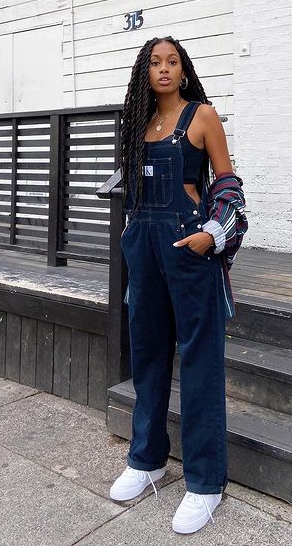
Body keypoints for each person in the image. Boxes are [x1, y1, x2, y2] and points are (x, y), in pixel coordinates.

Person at [109, 36, 247, 535]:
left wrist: (212, 234)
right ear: (144, 73)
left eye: (172, 62)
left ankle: (206, 483)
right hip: (144, 249)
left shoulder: (202, 116)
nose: (164, 69)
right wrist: (131, 235)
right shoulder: (137, 124)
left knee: (199, 360)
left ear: (183, 70)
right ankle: (147, 460)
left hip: (188, 247)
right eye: (154, 62)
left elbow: (228, 184)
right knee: (146, 355)